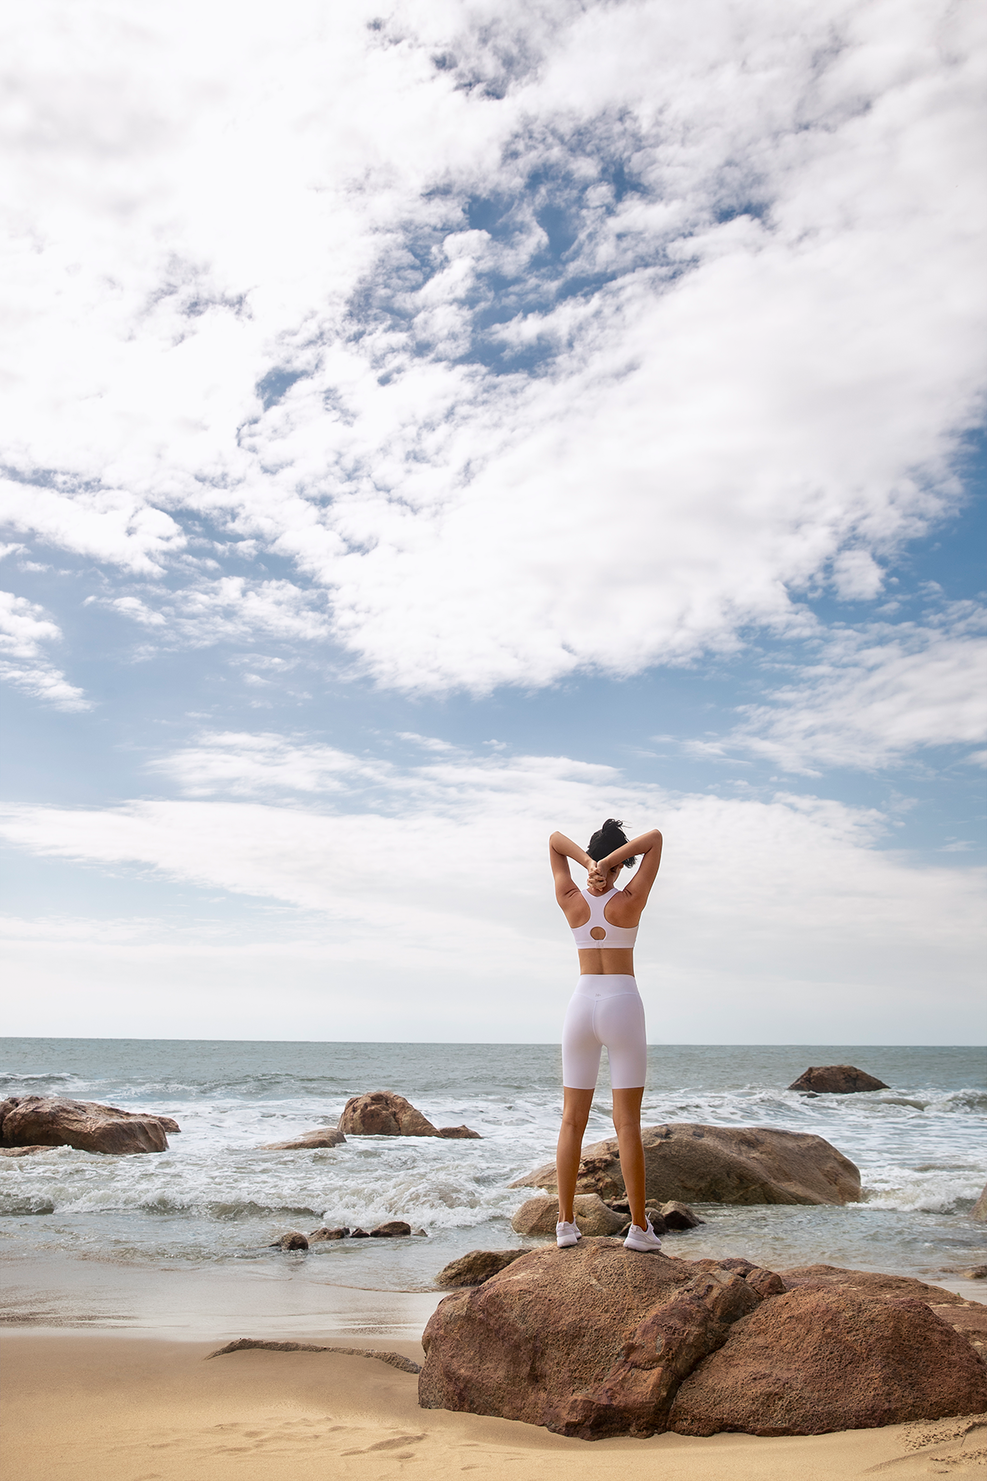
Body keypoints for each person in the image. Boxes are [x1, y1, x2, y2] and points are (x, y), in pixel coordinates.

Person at [548, 818, 663, 1252]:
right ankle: (638, 1229)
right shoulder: (629, 899)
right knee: (627, 1122)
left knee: (570, 1120)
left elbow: (555, 841)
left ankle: (564, 1224)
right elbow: (655, 840)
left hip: (580, 1007)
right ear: (621, 866)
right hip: (622, 1003)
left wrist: (587, 862)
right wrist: (610, 863)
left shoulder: (570, 898)